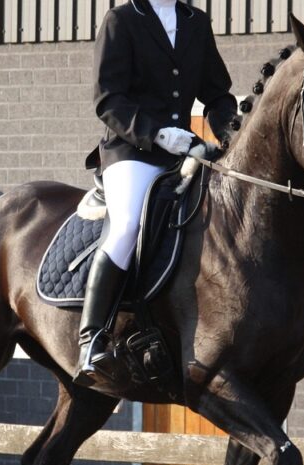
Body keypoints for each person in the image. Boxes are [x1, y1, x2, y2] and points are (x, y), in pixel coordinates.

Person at [76, 0, 237, 385]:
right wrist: (157, 134)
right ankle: (92, 338)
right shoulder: (121, 20)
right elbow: (108, 98)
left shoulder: (196, 22)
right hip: (133, 150)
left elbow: (218, 94)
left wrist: (227, 135)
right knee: (128, 224)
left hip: (185, 150)